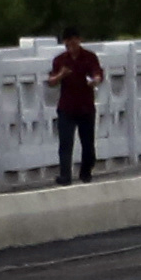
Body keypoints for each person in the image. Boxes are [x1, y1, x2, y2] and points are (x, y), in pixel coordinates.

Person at [46, 25, 104, 187]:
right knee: (65, 144)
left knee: (88, 145)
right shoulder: (60, 60)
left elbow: (97, 73)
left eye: (74, 41)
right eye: (68, 42)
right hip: (67, 107)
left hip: (86, 107)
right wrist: (61, 75)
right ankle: (65, 175)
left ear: (79, 40)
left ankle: (86, 172)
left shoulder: (89, 57)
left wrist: (95, 80)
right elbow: (51, 81)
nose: (71, 45)